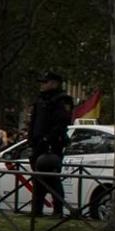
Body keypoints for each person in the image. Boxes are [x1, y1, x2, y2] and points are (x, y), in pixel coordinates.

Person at [27, 71, 74, 217]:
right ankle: (37, 209)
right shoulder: (41, 99)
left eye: (45, 82)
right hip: (38, 143)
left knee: (52, 178)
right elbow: (34, 121)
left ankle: (58, 210)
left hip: (52, 144)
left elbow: (61, 123)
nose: (42, 85)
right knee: (38, 178)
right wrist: (31, 139)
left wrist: (48, 139)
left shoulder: (62, 100)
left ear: (54, 83)